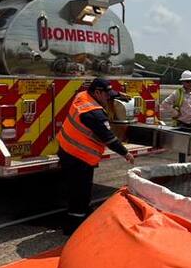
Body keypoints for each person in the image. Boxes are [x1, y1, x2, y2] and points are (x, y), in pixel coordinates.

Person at [58, 78, 136, 235]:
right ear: (97, 93)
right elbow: (109, 138)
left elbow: (104, 93)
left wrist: (117, 94)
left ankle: (83, 213)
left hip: (67, 150)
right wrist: (125, 153)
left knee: (79, 189)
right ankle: (73, 227)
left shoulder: (82, 96)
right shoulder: (94, 114)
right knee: (80, 192)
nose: (108, 97)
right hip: (78, 157)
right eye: (106, 94)